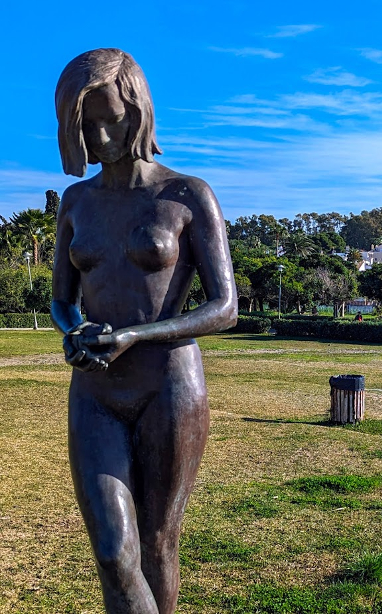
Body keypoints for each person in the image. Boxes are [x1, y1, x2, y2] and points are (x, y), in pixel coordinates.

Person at [52, 48, 237, 614]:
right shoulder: (77, 201)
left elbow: (225, 306)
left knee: (157, 543)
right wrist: (73, 331)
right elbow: (62, 299)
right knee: (112, 551)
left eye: (112, 119)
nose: (102, 135)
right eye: (87, 126)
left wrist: (139, 335)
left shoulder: (185, 195)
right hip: (97, 391)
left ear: (139, 111)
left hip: (170, 386)